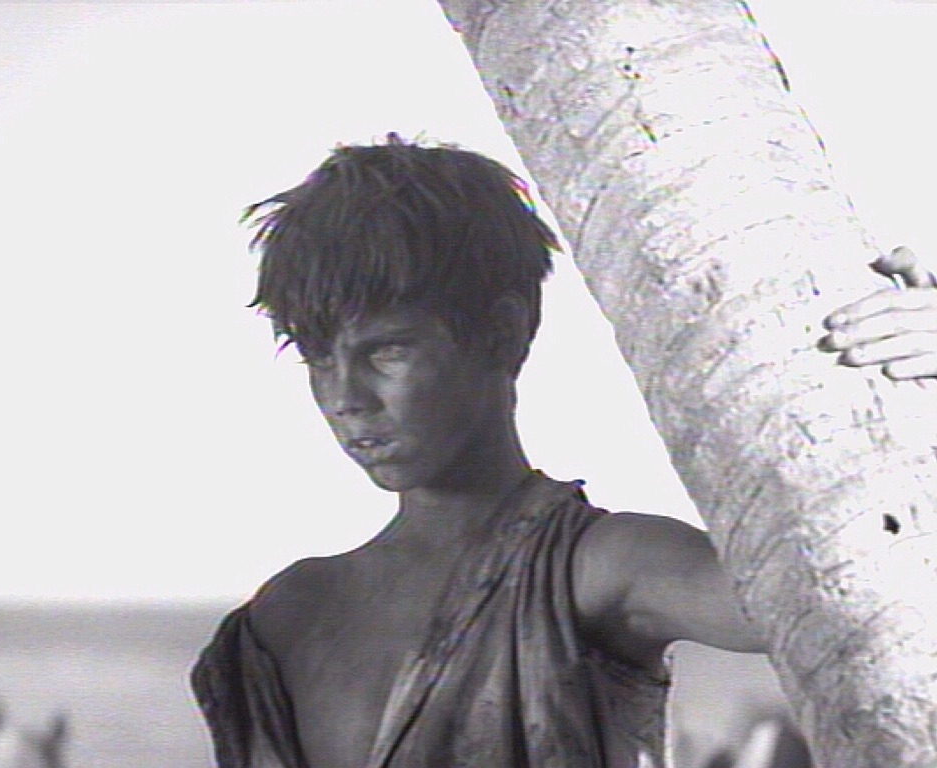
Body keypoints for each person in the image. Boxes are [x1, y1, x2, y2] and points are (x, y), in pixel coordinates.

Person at [190, 136, 937, 768]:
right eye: (319, 357)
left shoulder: (599, 568)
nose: (346, 395)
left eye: (387, 351)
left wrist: (913, 383)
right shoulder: (285, 616)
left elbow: (864, 600)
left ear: (503, 332)